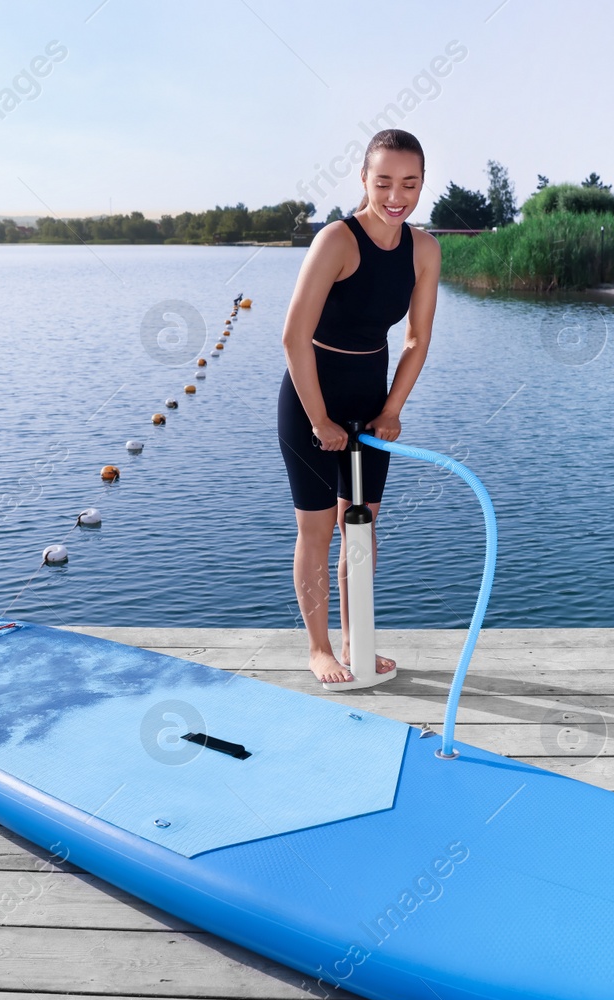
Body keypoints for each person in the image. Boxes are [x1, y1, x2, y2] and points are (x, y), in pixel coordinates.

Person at [277, 128, 440, 684]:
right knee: (318, 529)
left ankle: (357, 640)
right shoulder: (337, 241)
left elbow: (417, 339)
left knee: (362, 528)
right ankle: (319, 648)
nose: (398, 195)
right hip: (310, 396)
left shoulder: (424, 249)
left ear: (422, 185)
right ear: (365, 180)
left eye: (410, 183)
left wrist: (391, 410)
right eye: (385, 181)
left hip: (370, 398)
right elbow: (293, 337)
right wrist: (319, 419)